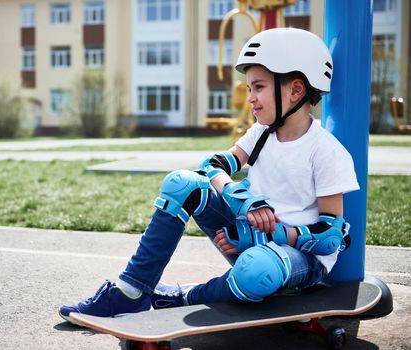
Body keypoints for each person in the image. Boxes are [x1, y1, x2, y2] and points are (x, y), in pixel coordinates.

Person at [59, 27, 359, 322]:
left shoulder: (325, 152)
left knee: (258, 270)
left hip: (299, 259)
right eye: (249, 89)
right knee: (182, 183)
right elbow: (211, 165)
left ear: (295, 89)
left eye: (259, 87)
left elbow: (330, 237)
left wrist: (264, 234)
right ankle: (132, 291)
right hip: (249, 240)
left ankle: (184, 297)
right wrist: (241, 199)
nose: (250, 98)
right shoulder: (260, 134)